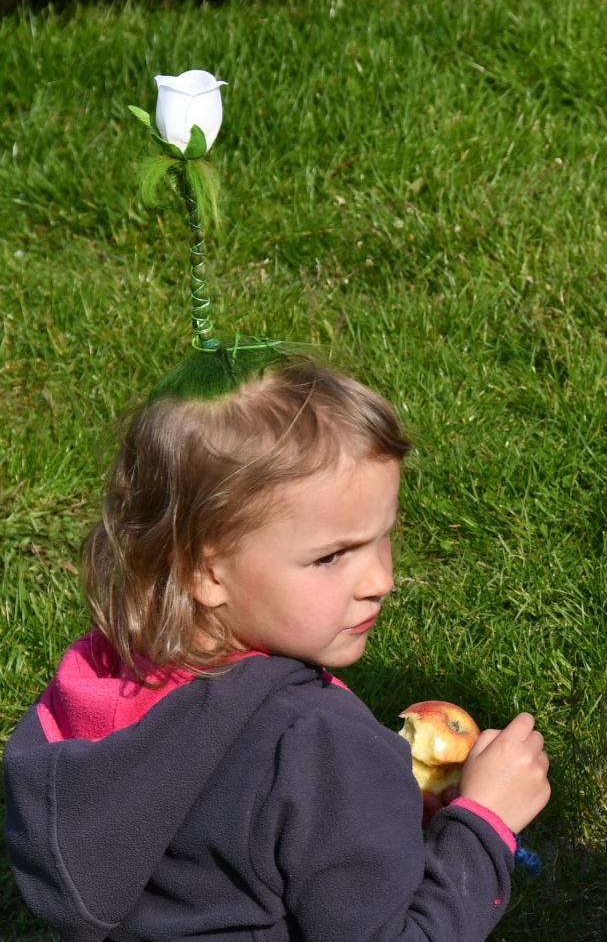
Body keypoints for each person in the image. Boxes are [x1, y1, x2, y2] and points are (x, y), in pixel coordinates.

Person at [4, 356, 551, 942]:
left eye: (383, 535)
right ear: (204, 572)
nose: (381, 580)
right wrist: (484, 824)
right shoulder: (317, 745)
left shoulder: (99, 685)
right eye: (330, 556)